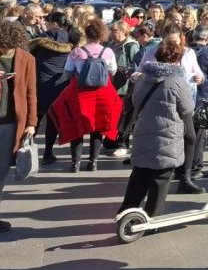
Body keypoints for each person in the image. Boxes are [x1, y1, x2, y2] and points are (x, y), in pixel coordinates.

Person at [117, 40, 196, 217]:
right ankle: (151, 217)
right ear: (177, 59)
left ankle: (125, 211)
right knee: (161, 178)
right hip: (168, 135)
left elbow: (136, 101)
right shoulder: (177, 81)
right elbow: (187, 109)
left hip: (143, 130)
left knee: (139, 174)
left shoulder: (144, 78)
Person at [51, 18, 121, 172]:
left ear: (86, 35)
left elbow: (68, 73)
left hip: (80, 93)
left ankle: (75, 163)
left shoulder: (77, 52)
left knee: (77, 126)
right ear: (102, 34)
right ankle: (93, 162)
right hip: (104, 93)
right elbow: (113, 71)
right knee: (98, 127)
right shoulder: (108, 52)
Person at [0, 21, 38, 232]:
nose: (7, 51)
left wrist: (32, 123)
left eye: (11, 48)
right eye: (4, 47)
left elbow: (31, 93)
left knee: (1, 171)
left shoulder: (27, 59)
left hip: (10, 123)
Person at [28, 12, 73, 165]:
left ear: (54, 23)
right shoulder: (70, 40)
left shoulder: (40, 42)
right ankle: (48, 153)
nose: (45, 23)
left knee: (34, 119)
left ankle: (24, 151)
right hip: (59, 85)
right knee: (52, 122)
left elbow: (30, 60)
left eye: (47, 21)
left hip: (40, 84)